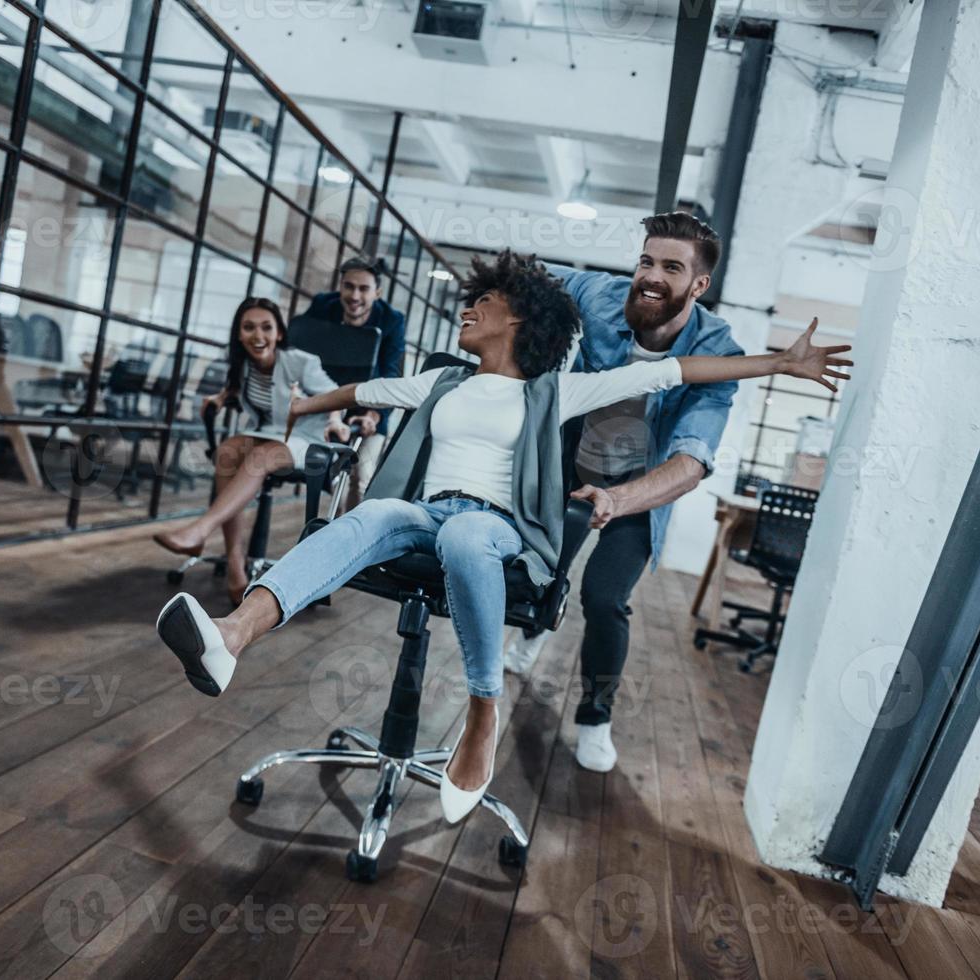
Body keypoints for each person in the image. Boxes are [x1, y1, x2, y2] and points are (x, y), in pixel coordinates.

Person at [154, 251, 850, 823]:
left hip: (497, 529)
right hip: (425, 512)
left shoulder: (553, 391)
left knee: (464, 538)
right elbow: (363, 392)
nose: (467, 309)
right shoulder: (441, 381)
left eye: (480, 304)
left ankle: (482, 712)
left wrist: (777, 365)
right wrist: (301, 405)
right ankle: (232, 638)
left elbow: (675, 370)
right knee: (369, 516)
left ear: (515, 318)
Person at [501, 211, 750, 774]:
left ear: (699, 284)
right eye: (646, 260)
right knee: (543, 572)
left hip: (640, 489)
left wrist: (620, 501)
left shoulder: (719, 353)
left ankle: (595, 716)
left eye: (671, 267)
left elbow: (690, 463)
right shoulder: (602, 295)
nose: (652, 276)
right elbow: (526, 274)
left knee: (605, 598)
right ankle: (533, 634)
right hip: (574, 462)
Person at [151, 297, 350, 606]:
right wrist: (220, 397)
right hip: (268, 432)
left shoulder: (301, 362)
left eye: (266, 328)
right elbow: (247, 390)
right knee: (228, 450)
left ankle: (200, 530)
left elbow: (337, 396)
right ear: (239, 334)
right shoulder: (243, 364)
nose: (258, 336)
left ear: (279, 333)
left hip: (307, 436)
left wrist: (337, 422)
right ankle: (235, 564)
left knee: (259, 457)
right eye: (249, 328)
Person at [299, 256, 407, 508]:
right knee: (332, 477)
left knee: (360, 478)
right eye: (349, 286)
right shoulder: (323, 307)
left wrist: (374, 415)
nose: (354, 295)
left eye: (364, 288)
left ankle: (351, 533)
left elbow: (391, 372)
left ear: (377, 292)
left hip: (371, 406)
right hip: (328, 403)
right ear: (340, 286)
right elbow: (301, 352)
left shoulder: (392, 320)